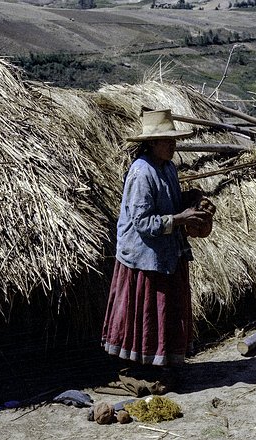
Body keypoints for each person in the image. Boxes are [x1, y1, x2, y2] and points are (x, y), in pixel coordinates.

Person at [101, 108, 212, 392]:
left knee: (167, 310)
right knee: (149, 312)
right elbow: (142, 222)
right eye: (166, 141)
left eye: (173, 140)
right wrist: (180, 219)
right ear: (151, 143)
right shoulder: (141, 172)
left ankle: (164, 365)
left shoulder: (168, 168)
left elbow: (171, 201)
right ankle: (144, 367)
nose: (172, 145)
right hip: (144, 256)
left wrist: (194, 198)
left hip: (166, 251)